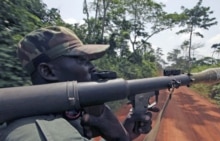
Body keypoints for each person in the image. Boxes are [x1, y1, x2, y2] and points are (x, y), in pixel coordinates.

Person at [0, 26, 153, 141]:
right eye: (81, 60)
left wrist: (119, 132)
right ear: (48, 71)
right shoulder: (49, 134)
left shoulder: (41, 121)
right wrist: (120, 137)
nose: (93, 68)